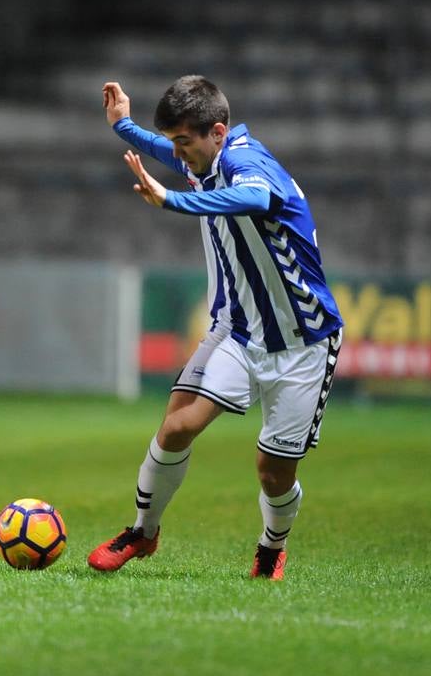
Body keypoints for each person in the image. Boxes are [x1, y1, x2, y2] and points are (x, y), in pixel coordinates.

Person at [89, 76, 344, 580]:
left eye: (187, 143)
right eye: (178, 143)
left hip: (303, 342)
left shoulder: (250, 166)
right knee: (177, 426)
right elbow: (169, 149)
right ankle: (143, 531)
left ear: (219, 132)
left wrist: (172, 202)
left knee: (273, 472)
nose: (180, 154)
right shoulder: (208, 154)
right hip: (240, 331)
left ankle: (272, 546)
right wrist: (125, 128)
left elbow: (251, 198)